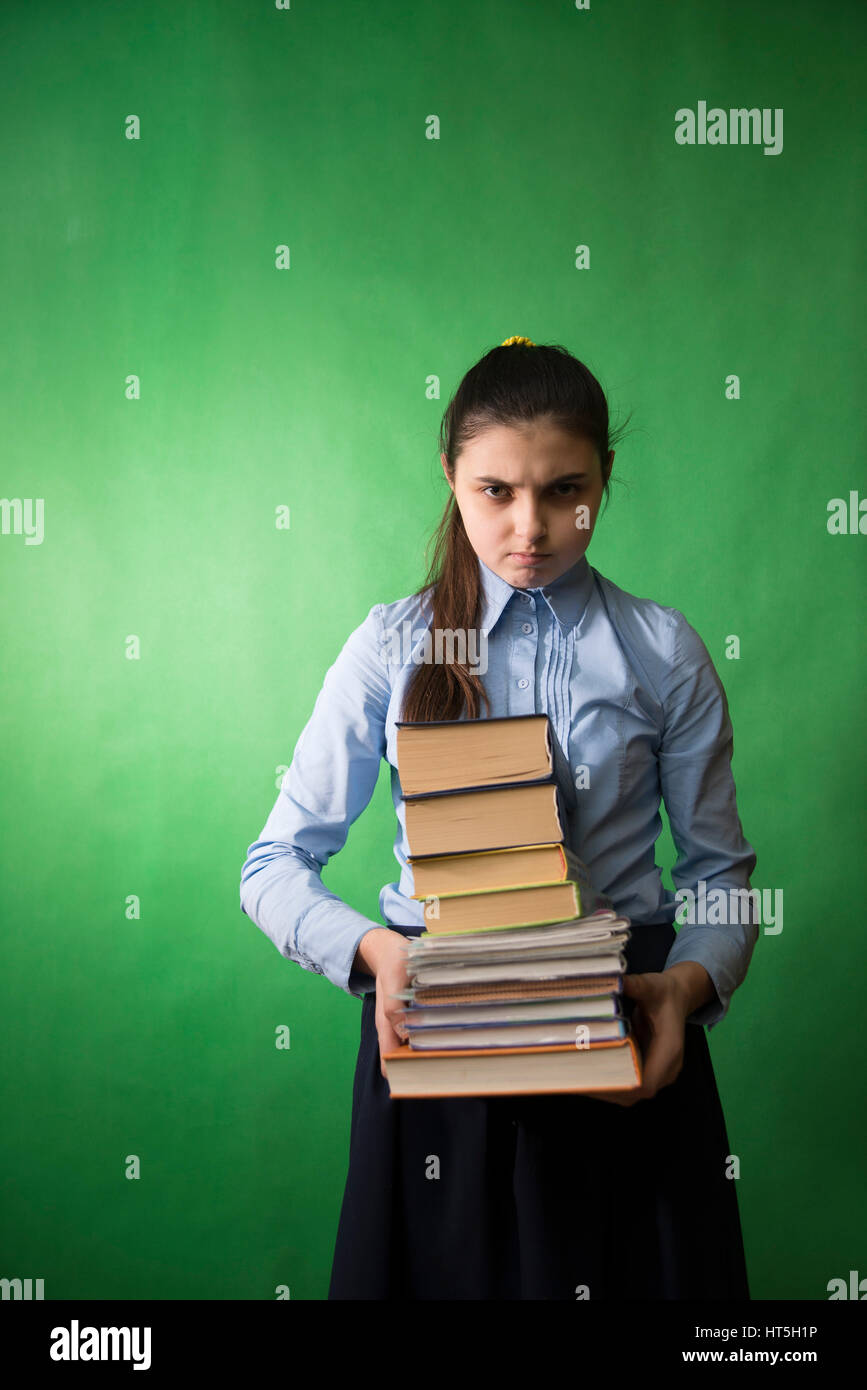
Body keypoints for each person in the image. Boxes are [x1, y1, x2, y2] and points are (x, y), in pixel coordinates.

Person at [239, 337, 759, 1300]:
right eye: (494, 492)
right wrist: (379, 956)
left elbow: (722, 880)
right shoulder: (389, 646)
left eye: (566, 490)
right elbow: (273, 863)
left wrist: (683, 988)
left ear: (606, 475)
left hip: (623, 1041)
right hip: (437, 1045)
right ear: (450, 476)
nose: (532, 527)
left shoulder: (664, 650)